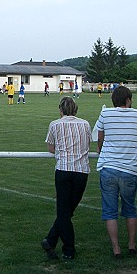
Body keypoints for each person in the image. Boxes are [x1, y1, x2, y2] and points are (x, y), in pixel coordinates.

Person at [95, 86, 137, 258]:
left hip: (108, 168)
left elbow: (100, 139)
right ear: (128, 100)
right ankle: (132, 245)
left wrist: (101, 150)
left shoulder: (105, 114)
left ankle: (116, 249)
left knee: (110, 211)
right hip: (130, 169)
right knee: (130, 209)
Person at [41, 97, 91, 260]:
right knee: (67, 211)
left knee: (65, 211)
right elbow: (88, 144)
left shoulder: (55, 124)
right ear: (75, 110)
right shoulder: (85, 124)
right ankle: (55, 243)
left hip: (63, 170)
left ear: (60, 109)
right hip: (81, 172)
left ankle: (64, 247)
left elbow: (51, 148)